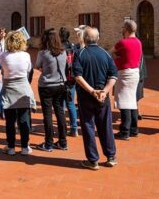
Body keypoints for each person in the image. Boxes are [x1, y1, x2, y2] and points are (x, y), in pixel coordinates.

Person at [73, 26, 118, 170]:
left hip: (87, 96)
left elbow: (78, 76)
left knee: (88, 126)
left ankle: (93, 160)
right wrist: (104, 91)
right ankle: (111, 156)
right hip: (102, 97)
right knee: (106, 125)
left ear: (85, 38)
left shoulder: (80, 54)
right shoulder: (105, 54)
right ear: (97, 38)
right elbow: (113, 75)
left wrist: (93, 91)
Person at [0, 31, 36, 156]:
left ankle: (11, 147)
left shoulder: (3, 56)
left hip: (9, 88)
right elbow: (28, 70)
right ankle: (25, 147)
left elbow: (2, 71)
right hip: (23, 88)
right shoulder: (26, 55)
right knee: (24, 119)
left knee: (10, 121)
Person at [35, 28, 68, 152]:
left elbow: (38, 66)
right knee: (60, 112)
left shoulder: (43, 53)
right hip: (60, 85)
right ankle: (63, 141)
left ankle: (49, 143)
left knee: (47, 114)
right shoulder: (63, 52)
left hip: (47, 86)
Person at [111, 20, 143, 141]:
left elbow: (112, 51)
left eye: (123, 28)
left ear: (127, 29)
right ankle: (134, 129)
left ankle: (125, 131)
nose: (122, 30)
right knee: (132, 101)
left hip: (124, 72)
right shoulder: (139, 42)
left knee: (124, 102)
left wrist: (116, 58)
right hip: (135, 73)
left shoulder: (122, 42)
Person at [59, 27, 78, 137]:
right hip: (72, 79)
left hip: (62, 79)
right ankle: (74, 128)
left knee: (61, 105)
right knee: (71, 103)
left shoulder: (60, 48)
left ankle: (63, 128)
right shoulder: (73, 47)